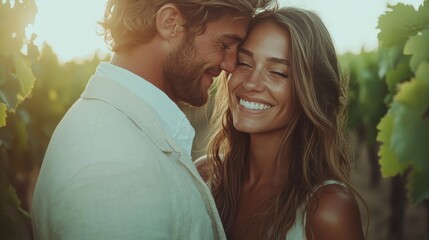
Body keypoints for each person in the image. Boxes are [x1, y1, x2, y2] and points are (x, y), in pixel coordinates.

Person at [31, 0, 277, 239]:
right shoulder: (111, 168)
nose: (231, 65)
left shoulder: (123, 131)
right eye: (224, 44)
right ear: (170, 23)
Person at [196, 7, 367, 240]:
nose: (251, 84)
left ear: (310, 92)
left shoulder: (327, 210)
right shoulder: (204, 176)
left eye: (277, 72)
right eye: (244, 63)